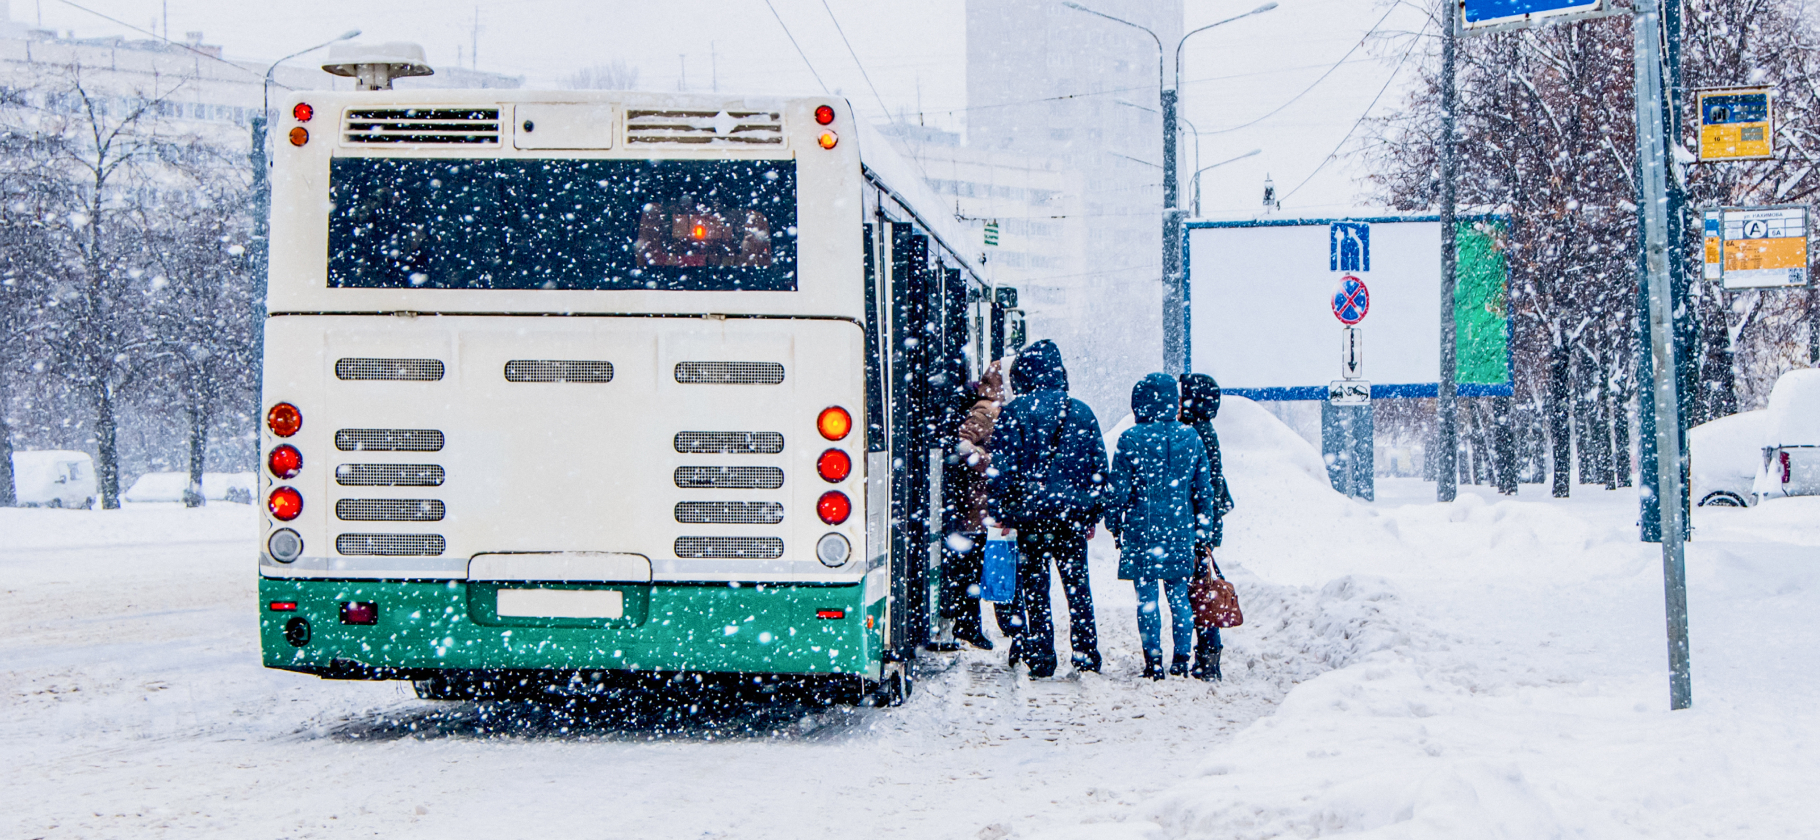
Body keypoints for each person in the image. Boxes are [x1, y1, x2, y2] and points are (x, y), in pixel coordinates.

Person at [987, 339, 1107, 678]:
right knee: (1078, 588)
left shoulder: (1015, 412)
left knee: (1035, 590)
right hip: (1070, 519)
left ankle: (1041, 656)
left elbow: (1002, 468)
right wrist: (1092, 513)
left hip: (1030, 518)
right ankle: (1085, 654)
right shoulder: (1081, 411)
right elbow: (1098, 468)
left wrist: (1003, 512)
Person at [1105, 373, 1217, 680]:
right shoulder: (1191, 437)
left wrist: (1114, 523)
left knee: (1147, 600)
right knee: (1180, 596)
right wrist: (1202, 532)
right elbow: (1204, 490)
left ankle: (1153, 662)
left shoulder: (1131, 439)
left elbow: (1119, 490)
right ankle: (1181, 659)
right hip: (1181, 530)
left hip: (1142, 530)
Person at [938, 359, 1020, 650]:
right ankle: (974, 626)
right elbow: (962, 446)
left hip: (983, 505)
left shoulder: (994, 409)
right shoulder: (985, 410)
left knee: (984, 567)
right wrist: (989, 461)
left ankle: (987, 624)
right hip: (978, 506)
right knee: (976, 568)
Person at [1179, 372, 1236, 681]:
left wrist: (1205, 531)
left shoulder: (1197, 432)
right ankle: (1207, 657)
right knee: (1201, 588)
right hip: (1201, 523)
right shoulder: (1203, 429)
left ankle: (1208, 656)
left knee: (1202, 590)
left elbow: (1208, 485)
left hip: (1198, 525)